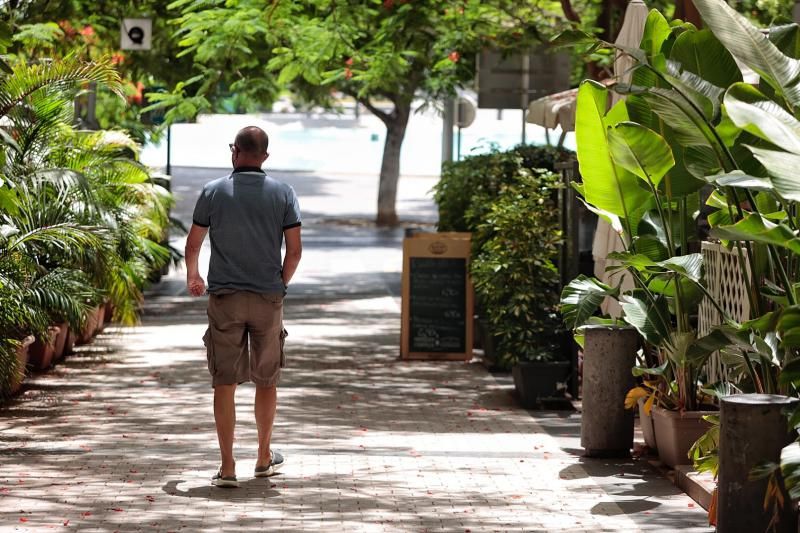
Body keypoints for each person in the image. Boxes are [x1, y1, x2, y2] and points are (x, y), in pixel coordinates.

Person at [184, 126, 302, 488]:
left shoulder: (213, 192)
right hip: (268, 299)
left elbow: (193, 245)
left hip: (226, 300)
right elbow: (294, 251)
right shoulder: (283, 193)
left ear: (234, 151)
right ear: (265, 156)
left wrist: (195, 276)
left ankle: (227, 466)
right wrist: (280, 284)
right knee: (266, 382)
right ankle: (264, 458)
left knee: (225, 382)